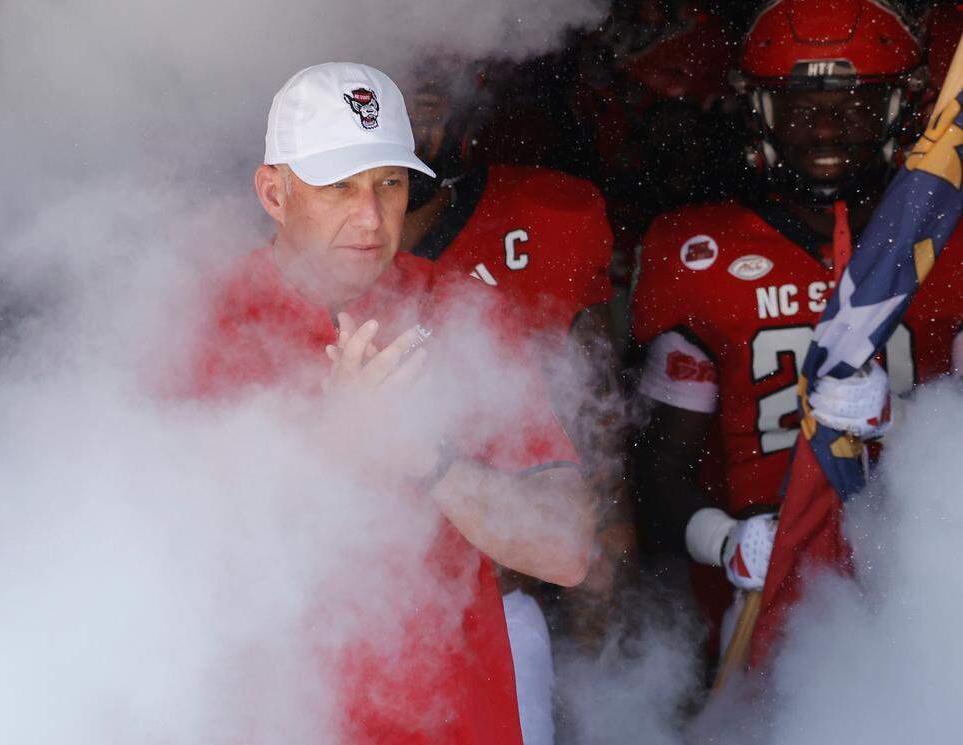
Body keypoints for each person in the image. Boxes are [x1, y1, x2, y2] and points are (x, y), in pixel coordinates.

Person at [193, 62, 600, 744]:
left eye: (389, 183)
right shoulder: (200, 318)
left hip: (453, 719)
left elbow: (565, 549)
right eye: (340, 186)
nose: (371, 216)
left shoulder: (464, 309)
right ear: (274, 191)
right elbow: (155, 558)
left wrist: (425, 459)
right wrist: (328, 442)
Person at [630, 0, 963, 660]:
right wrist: (723, 539)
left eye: (855, 102)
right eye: (799, 103)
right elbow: (658, 465)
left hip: (926, 576)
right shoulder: (697, 250)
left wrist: (904, 418)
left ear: (904, 107)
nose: (826, 127)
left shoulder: (949, 243)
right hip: (769, 594)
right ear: (756, 109)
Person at [399, 54, 633, 744]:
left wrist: (601, 660)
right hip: (347, 618)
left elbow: (599, 438)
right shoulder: (277, 267)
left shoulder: (539, 226)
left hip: (500, 604)